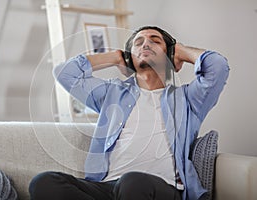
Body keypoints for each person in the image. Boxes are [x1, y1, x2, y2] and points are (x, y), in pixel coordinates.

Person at [29, 26, 229, 200]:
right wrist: (115, 57)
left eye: (155, 41)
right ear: (129, 59)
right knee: (44, 182)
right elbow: (65, 73)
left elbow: (218, 67)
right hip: (108, 187)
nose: (145, 44)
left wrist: (180, 51)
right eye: (138, 42)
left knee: (133, 181)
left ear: (171, 58)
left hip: (160, 188)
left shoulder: (188, 99)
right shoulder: (112, 94)